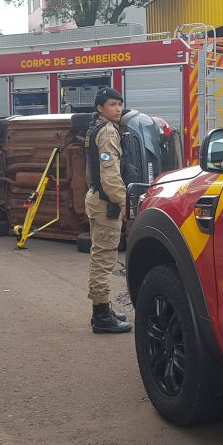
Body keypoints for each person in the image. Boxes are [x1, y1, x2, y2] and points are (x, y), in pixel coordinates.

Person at [85, 88, 133, 334]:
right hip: (106, 202)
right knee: (104, 259)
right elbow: (110, 173)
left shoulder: (96, 127)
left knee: (100, 254)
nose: (118, 108)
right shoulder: (106, 132)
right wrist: (123, 201)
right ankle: (101, 316)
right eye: (112, 104)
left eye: (120, 104)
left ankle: (103, 308)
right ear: (99, 108)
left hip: (96, 198)